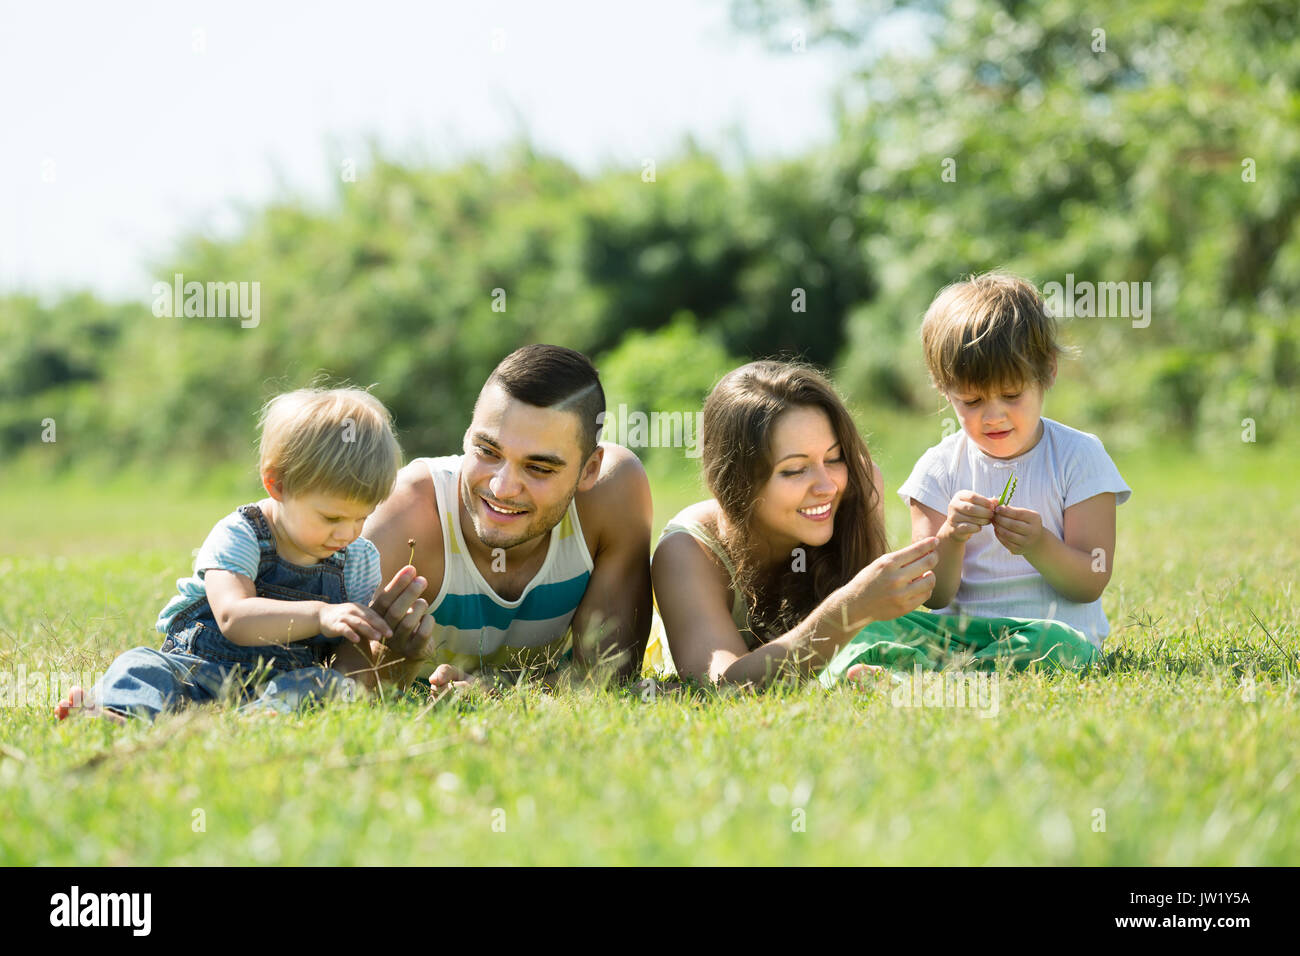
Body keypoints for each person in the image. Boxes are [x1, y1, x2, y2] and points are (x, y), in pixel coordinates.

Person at [821, 272, 1131, 685]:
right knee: (865, 627)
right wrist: (951, 537)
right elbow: (935, 595)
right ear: (943, 389)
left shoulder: (1079, 456)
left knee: (1058, 647)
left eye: (1012, 395)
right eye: (972, 401)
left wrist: (1038, 544)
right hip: (957, 635)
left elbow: (1090, 582)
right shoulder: (938, 469)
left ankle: (932, 679)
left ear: (1048, 372)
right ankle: (923, 671)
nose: (993, 415)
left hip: (1048, 630)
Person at [55, 386, 425, 722]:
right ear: (277, 484)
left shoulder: (358, 560)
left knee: (325, 685)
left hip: (278, 687)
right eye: (331, 517)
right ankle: (117, 713)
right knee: (142, 664)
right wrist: (320, 614)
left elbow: (348, 653)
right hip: (197, 671)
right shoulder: (242, 533)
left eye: (363, 516)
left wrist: (361, 663)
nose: (348, 532)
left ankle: (250, 722)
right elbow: (233, 616)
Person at [344, 344, 653, 694]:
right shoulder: (402, 518)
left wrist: (492, 694)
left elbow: (608, 674)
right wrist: (391, 661)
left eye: (538, 467)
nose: (501, 488)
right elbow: (339, 686)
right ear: (467, 433)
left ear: (590, 469)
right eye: (487, 451)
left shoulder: (613, 493)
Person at [648, 360, 940, 690]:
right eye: (795, 470)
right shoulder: (688, 550)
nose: (827, 486)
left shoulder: (857, 487)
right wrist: (849, 608)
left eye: (833, 458)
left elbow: (871, 641)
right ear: (736, 481)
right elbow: (721, 685)